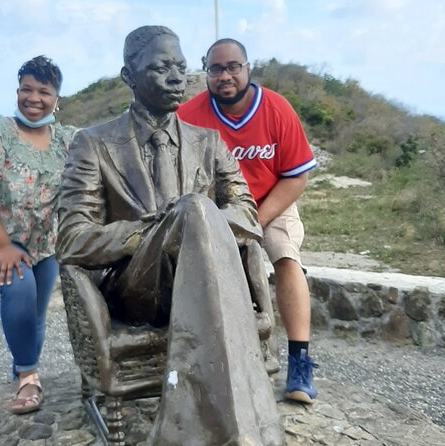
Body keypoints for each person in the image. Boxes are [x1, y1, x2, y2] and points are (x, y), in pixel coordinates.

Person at [56, 26, 283, 445]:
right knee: (194, 209)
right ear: (129, 76)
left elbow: (249, 215)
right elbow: (73, 239)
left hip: (207, 280)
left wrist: (191, 222)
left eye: (180, 67)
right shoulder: (92, 144)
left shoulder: (209, 142)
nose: (177, 77)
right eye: (161, 68)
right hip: (138, 288)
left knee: (196, 211)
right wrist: (164, 227)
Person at [178, 38, 319, 404]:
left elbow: (296, 176)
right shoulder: (190, 115)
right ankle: (212, 363)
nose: (225, 76)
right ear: (206, 72)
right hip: (218, 207)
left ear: (247, 68)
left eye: (232, 67)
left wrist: (257, 220)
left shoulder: (276, 109)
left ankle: (300, 362)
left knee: (286, 258)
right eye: (216, 69)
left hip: (271, 201)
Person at [0, 55, 76, 415]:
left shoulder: (67, 140)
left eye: (44, 91)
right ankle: (28, 378)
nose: (33, 98)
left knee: (34, 316)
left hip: (43, 246)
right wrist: (3, 246)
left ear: (57, 98)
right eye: (26, 89)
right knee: (19, 285)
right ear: (17, 91)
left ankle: (21, 379)